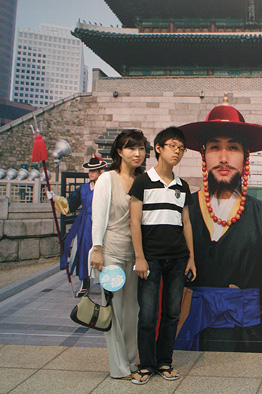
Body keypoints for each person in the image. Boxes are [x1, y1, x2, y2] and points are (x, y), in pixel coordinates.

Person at [175, 100, 262, 354]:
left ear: (245, 157)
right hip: (187, 341)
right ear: (203, 155)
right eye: (214, 148)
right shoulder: (180, 211)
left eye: (233, 148)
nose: (223, 158)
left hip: (247, 343)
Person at [129, 126, 196, 385]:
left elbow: (186, 223)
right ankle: (145, 364)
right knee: (147, 314)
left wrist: (191, 257)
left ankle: (164, 361)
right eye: (172, 146)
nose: (177, 152)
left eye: (181, 148)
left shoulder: (183, 186)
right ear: (158, 148)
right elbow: (135, 222)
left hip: (177, 259)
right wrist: (140, 257)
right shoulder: (143, 182)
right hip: (151, 259)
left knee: (171, 314)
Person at [90, 129, 147, 380]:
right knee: (114, 309)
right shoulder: (107, 179)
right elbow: (98, 216)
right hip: (111, 254)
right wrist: (97, 249)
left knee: (131, 311)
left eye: (141, 148)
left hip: (135, 255)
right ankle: (119, 368)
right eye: (131, 148)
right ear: (119, 151)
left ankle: (131, 362)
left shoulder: (143, 180)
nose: (137, 153)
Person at [54, 154, 106, 297]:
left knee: (103, 251)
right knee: (84, 252)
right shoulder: (83, 188)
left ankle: (107, 284)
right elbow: (70, 204)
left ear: (101, 171)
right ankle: (85, 283)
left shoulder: (106, 187)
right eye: (89, 171)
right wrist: (54, 198)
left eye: (94, 170)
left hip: (102, 222)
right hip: (86, 223)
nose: (90, 173)